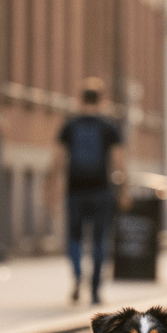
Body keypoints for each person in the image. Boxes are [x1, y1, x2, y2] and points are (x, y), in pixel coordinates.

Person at [49, 78, 125, 305]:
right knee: (100, 241)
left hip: (75, 191)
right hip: (101, 191)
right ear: (101, 100)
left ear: (80, 100)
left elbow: (58, 161)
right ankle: (94, 290)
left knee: (74, 238)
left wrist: (53, 190)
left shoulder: (69, 126)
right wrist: (123, 191)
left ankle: (77, 276)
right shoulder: (109, 127)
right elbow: (120, 163)